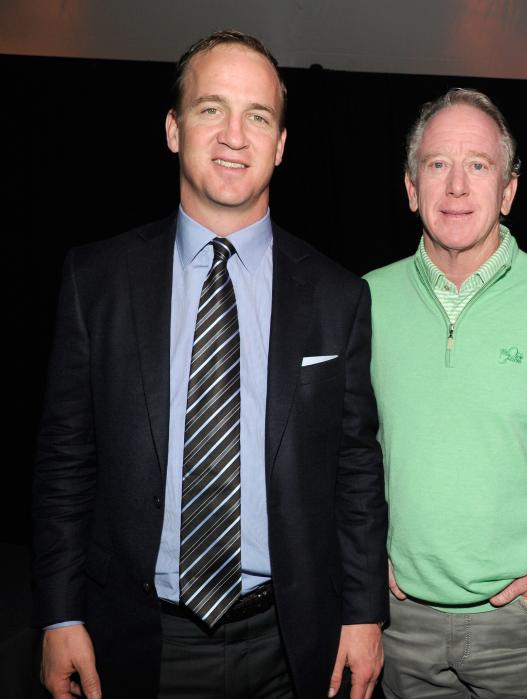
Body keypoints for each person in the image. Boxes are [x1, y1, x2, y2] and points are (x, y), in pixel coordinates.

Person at [32, 30, 388, 699]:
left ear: (281, 144)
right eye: (210, 109)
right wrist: (59, 610)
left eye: (258, 116)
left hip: (292, 639)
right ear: (173, 128)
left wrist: (365, 610)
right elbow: (64, 461)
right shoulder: (97, 279)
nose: (234, 135)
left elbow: (356, 466)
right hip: (136, 640)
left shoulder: (338, 295)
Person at [364, 88, 527, 698]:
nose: (457, 186)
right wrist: (361, 564)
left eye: (479, 165)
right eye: (438, 164)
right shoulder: (363, 302)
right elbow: (343, 450)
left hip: (523, 627)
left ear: (509, 189)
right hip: (397, 621)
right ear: (411, 188)